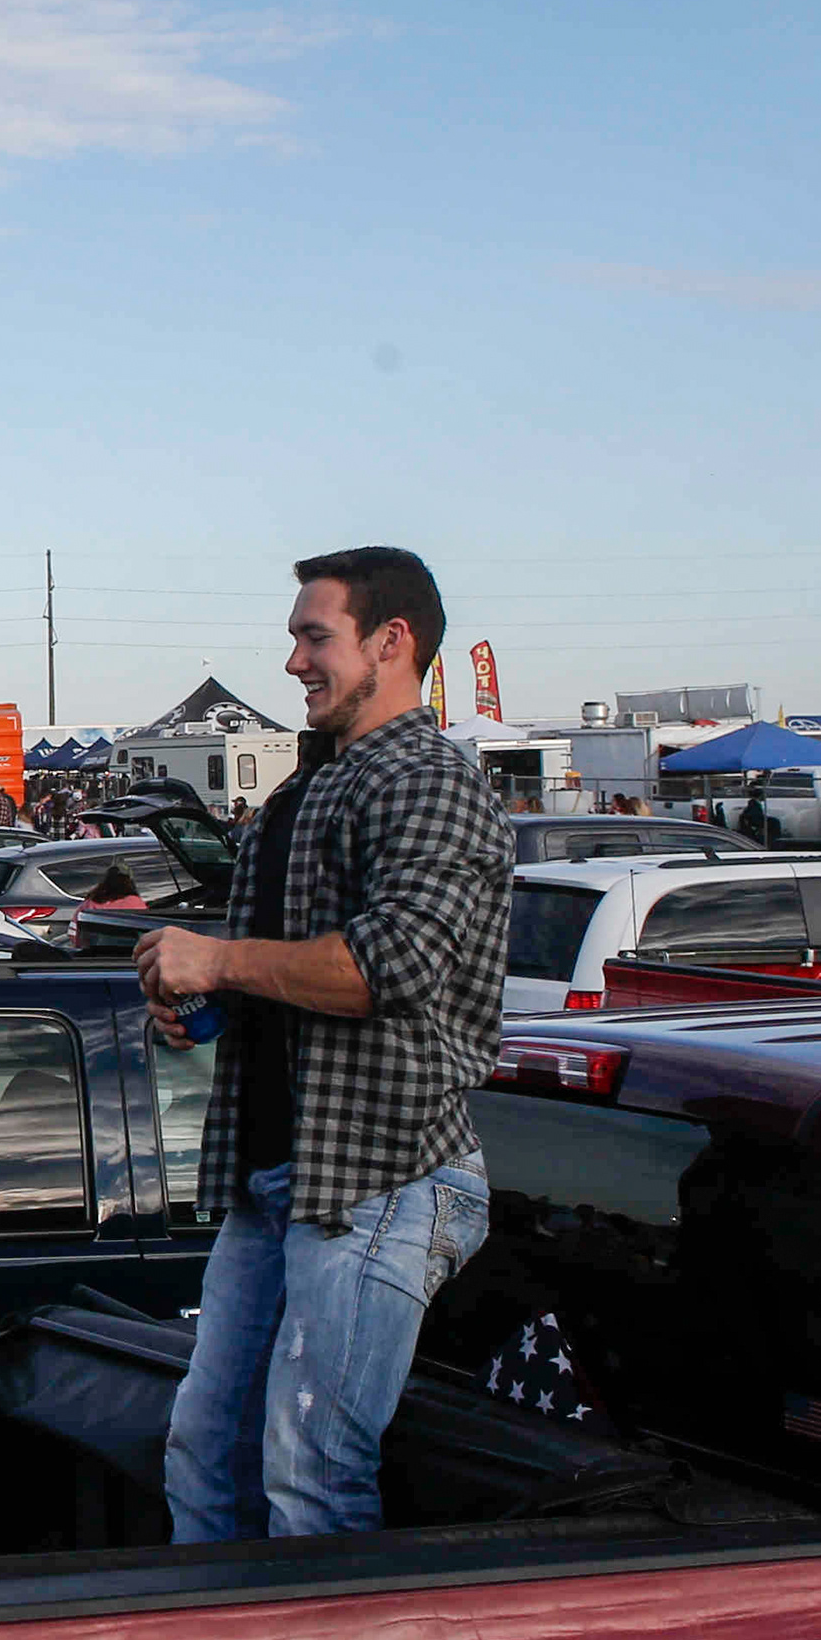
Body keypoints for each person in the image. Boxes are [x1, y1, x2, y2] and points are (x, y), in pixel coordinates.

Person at [138, 547, 507, 1544]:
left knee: (313, 1478)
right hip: (277, 1188)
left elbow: (385, 969)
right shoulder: (307, 793)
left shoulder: (429, 781)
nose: (295, 661)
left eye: (315, 637)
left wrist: (216, 964)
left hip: (379, 1183)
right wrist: (189, 1005)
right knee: (205, 1452)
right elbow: (272, 973)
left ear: (394, 643)